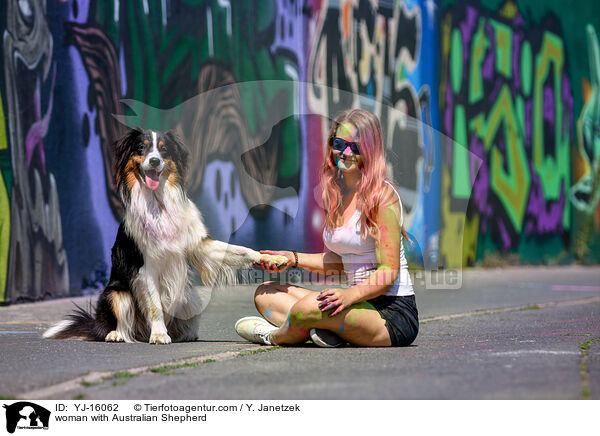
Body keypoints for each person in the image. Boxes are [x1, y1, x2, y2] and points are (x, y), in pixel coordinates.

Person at [235, 109, 418, 347]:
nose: (346, 152)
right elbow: (340, 262)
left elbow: (388, 271)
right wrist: (292, 258)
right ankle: (327, 331)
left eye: (356, 146)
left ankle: (273, 336)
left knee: (307, 308)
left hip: (390, 314)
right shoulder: (337, 194)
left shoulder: (382, 197)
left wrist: (348, 295)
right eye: (339, 143)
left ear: (370, 150)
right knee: (265, 293)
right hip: (354, 304)